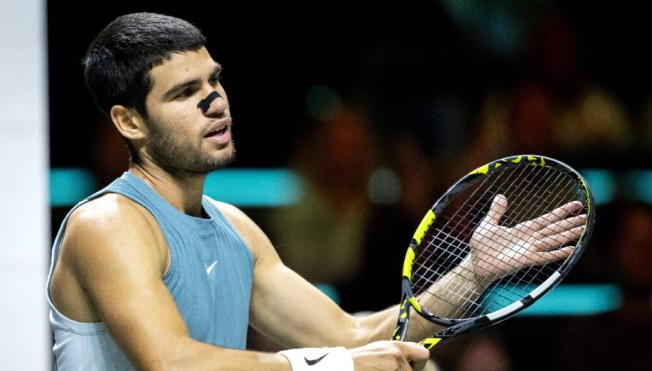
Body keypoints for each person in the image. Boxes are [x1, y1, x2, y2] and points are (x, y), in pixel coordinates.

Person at [46, 12, 584, 371]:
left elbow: (352, 335)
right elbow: (170, 360)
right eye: (185, 93)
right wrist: (335, 367)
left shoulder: (235, 229)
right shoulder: (109, 224)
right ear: (129, 122)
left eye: (214, 81)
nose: (214, 102)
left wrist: (473, 271)